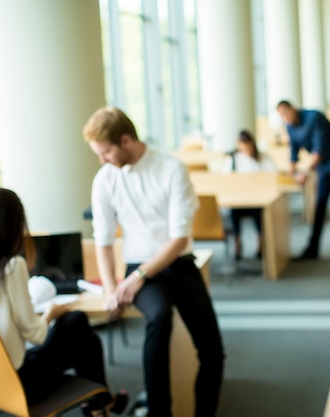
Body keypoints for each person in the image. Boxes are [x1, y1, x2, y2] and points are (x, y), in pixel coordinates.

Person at [82, 106, 225, 417]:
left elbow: (178, 239)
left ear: (126, 140)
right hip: (138, 265)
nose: (102, 160)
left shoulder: (171, 169)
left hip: (178, 261)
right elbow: (104, 243)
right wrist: (110, 290)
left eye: (105, 152)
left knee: (213, 352)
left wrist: (138, 278)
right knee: (159, 316)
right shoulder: (104, 180)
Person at [0, 188, 127, 417]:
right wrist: (50, 312)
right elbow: (36, 335)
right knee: (77, 322)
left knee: (86, 339)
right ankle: (102, 404)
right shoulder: (10, 267)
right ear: (14, 225)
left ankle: (102, 405)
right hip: (22, 385)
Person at [276, 100, 330, 260]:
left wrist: (304, 172)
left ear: (293, 108)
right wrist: (290, 169)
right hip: (325, 167)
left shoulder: (314, 118)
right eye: (282, 116)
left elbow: (318, 152)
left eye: (286, 113)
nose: (285, 118)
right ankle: (313, 248)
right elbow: (293, 151)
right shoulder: (290, 126)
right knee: (320, 206)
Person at [222, 129, 277, 260]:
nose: (247, 150)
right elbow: (225, 179)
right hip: (239, 199)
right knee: (233, 211)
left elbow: (273, 175)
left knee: (258, 212)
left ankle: (260, 242)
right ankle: (237, 242)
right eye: (244, 148)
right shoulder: (233, 159)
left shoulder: (263, 157)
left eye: (249, 147)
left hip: (258, 199)